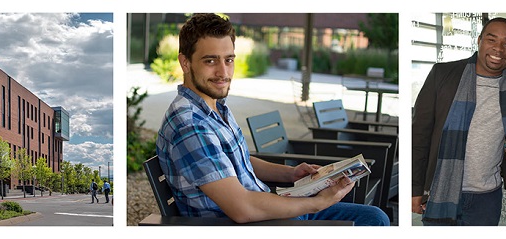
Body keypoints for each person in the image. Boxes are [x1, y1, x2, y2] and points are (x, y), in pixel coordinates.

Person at [155, 13, 387, 226]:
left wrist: (291, 174)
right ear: (185, 62)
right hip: (250, 222)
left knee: (374, 217)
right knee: (373, 222)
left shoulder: (213, 106)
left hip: (269, 209)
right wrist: (319, 202)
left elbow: (238, 160)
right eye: (210, 61)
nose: (223, 73)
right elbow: (242, 209)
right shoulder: (190, 125)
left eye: (229, 60)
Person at [412, 17, 506, 226]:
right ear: (479, 40)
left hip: (486, 198)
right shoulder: (443, 74)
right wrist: (415, 188)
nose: (498, 49)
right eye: (492, 40)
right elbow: (419, 135)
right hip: (442, 188)